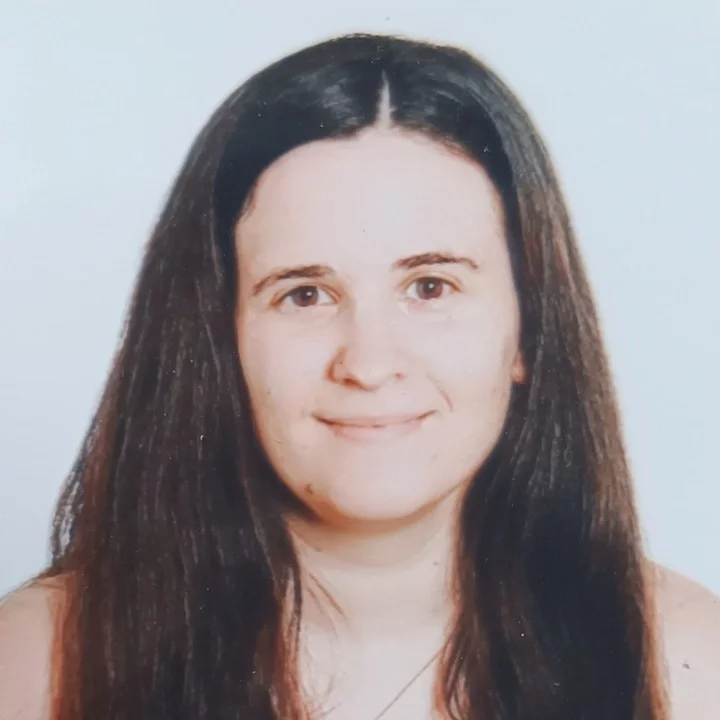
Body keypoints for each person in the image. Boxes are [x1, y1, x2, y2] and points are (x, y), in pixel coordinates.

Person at [0, 32, 718, 720]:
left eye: (430, 287)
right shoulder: (35, 665)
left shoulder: (686, 662)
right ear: (219, 339)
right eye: (305, 295)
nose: (369, 365)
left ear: (528, 330)